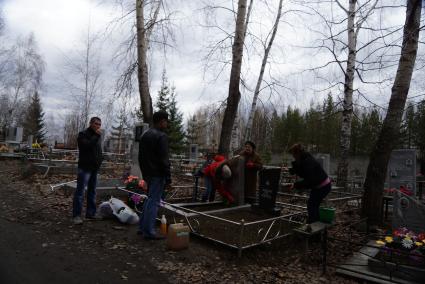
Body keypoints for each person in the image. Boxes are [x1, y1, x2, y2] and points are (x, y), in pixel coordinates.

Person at [138, 110, 171, 240]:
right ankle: (149, 231)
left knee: (149, 200)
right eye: (166, 121)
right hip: (158, 174)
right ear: (162, 121)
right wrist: (168, 178)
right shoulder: (161, 136)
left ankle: (142, 227)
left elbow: (141, 157)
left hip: (148, 174)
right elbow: (164, 160)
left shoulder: (145, 135)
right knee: (154, 202)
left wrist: (145, 174)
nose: (167, 124)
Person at [288, 143, 331, 225]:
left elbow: (310, 181)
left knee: (312, 205)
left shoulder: (307, 161)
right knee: (313, 205)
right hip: (320, 185)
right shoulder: (305, 158)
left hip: (323, 186)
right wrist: (293, 170)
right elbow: (302, 171)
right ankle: (314, 223)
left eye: (293, 155)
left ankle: (314, 226)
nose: (293, 157)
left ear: (297, 153)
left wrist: (296, 185)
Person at [72, 117, 103, 225]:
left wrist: (100, 161)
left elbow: (98, 150)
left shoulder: (97, 136)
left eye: (99, 124)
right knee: (80, 192)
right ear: (90, 123)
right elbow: (87, 146)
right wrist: (96, 135)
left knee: (92, 191)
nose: (98, 126)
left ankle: (91, 213)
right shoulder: (83, 134)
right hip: (85, 168)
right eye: (96, 123)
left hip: (94, 167)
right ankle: (76, 215)